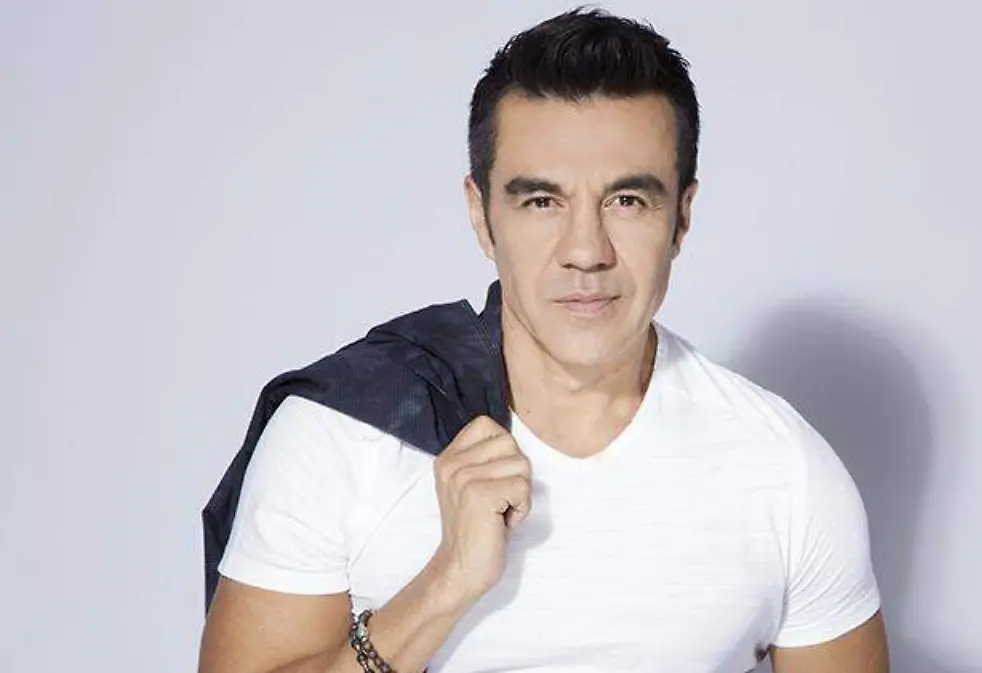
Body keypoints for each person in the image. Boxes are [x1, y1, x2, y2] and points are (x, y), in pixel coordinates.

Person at [198, 7, 889, 673]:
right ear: (481, 215)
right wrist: (444, 585)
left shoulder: (785, 469)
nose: (585, 250)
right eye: (541, 201)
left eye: (628, 200)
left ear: (681, 217)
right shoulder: (342, 432)